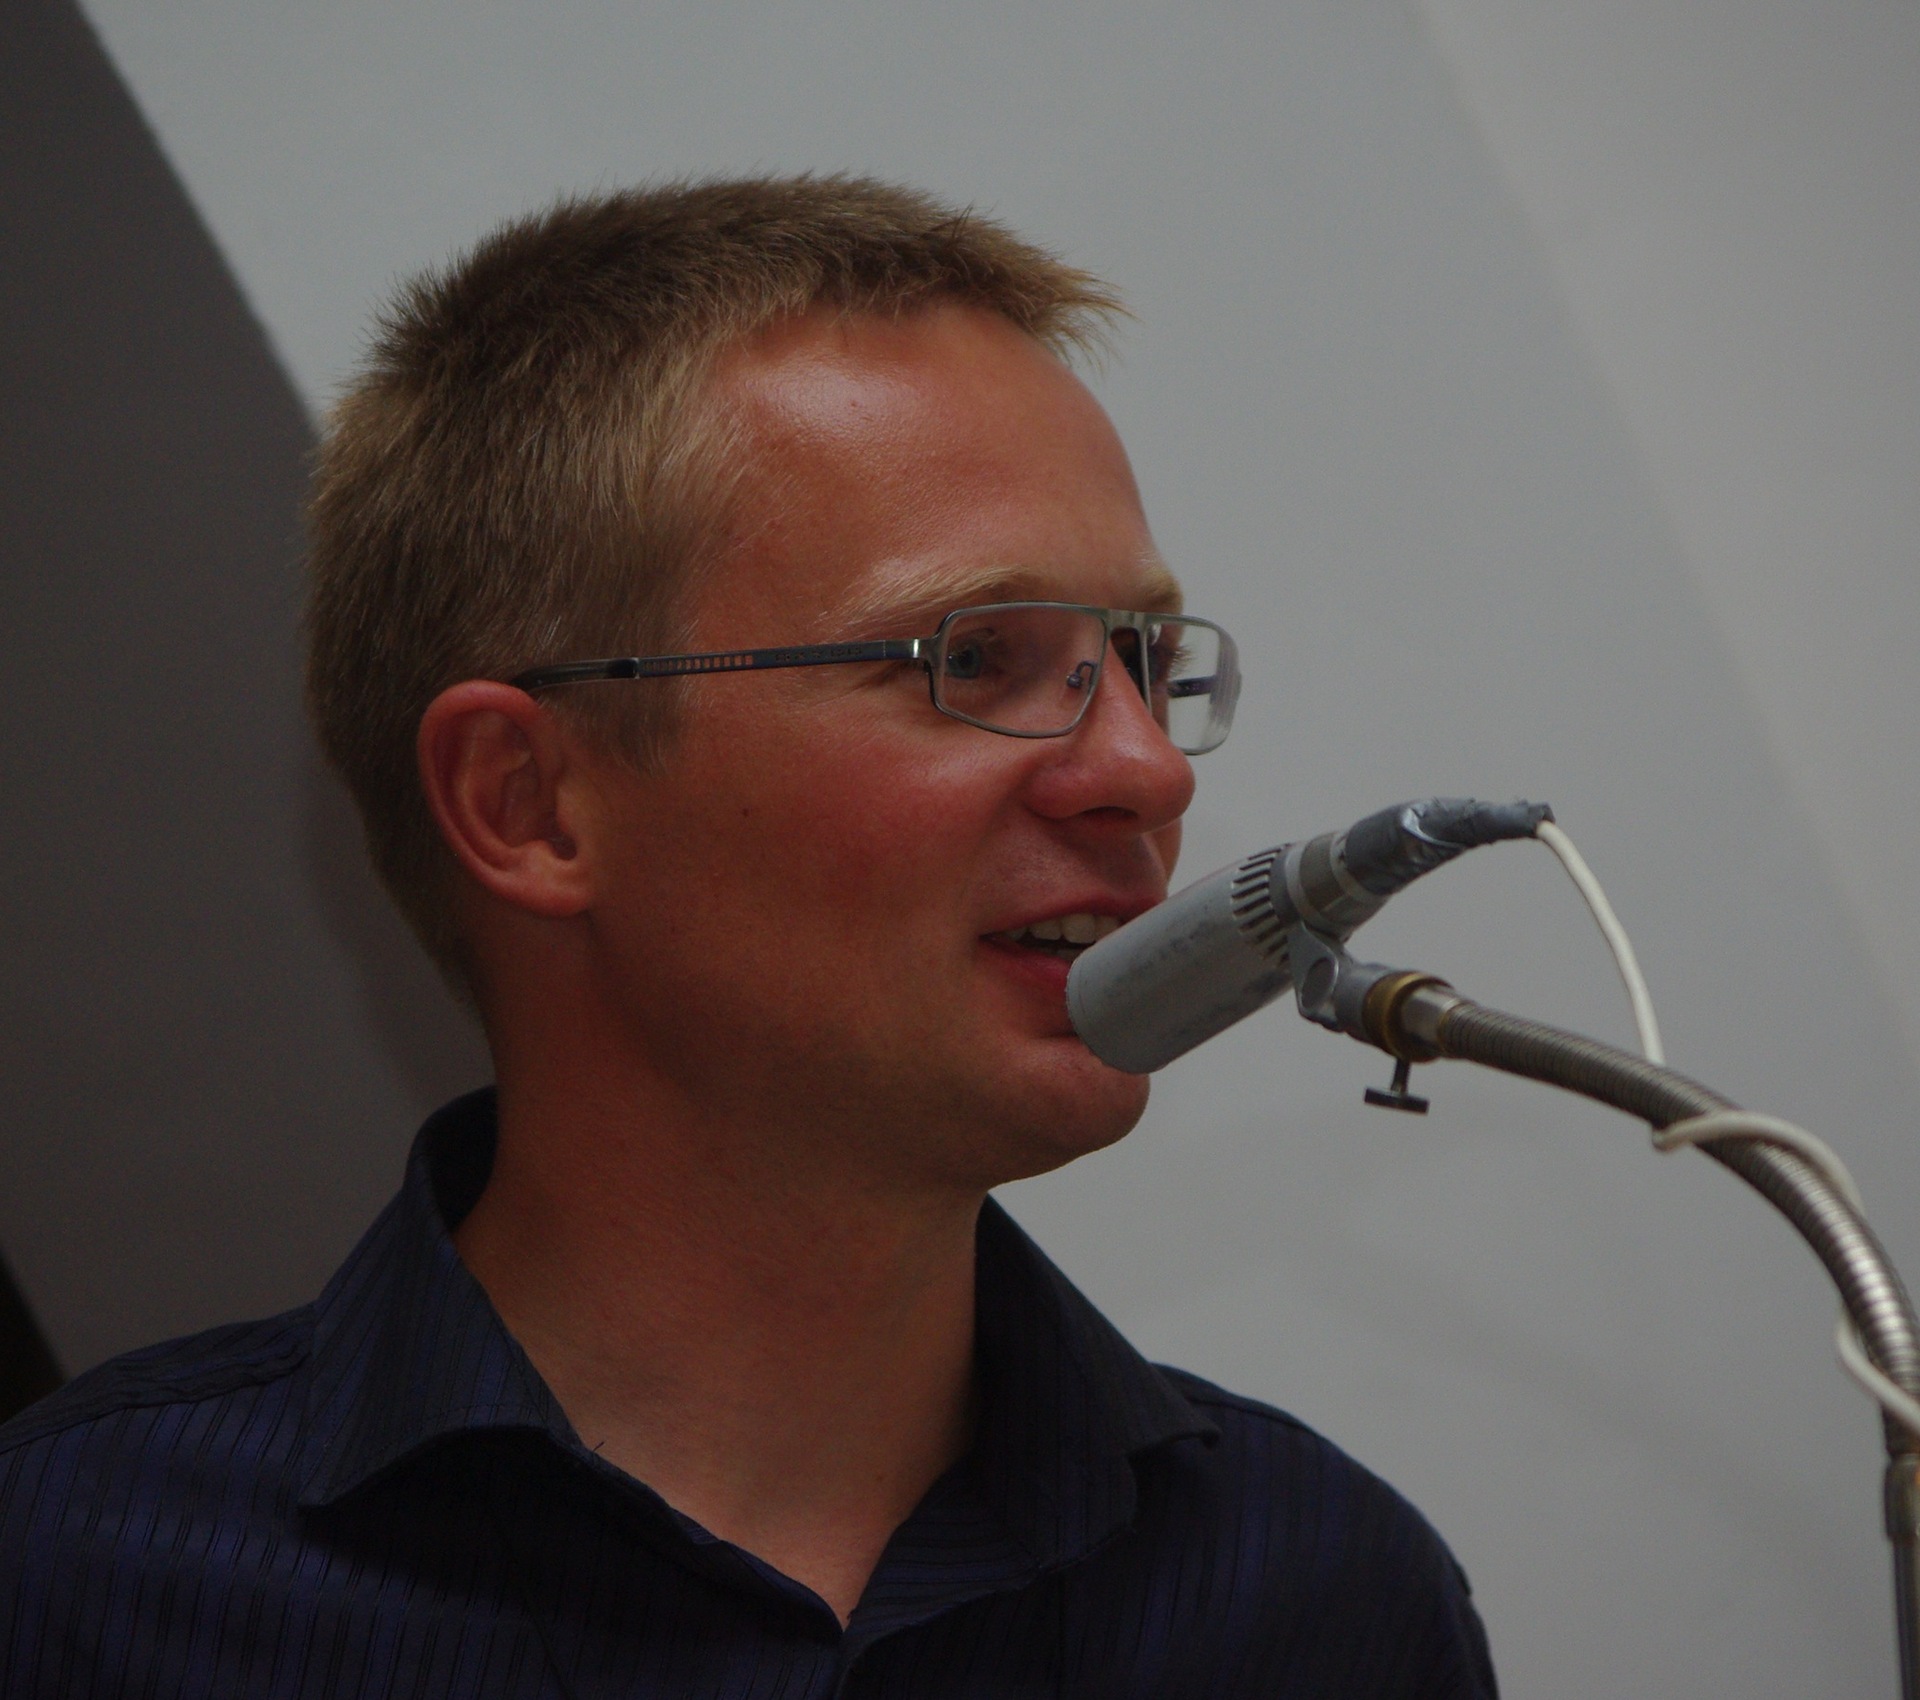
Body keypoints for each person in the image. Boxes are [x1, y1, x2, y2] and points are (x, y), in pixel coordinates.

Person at [0, 176, 1497, 1696]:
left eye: (1146, 662)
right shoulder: (76, 1587)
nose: (1150, 772)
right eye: (978, 655)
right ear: (530, 804)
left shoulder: (1319, 1594)